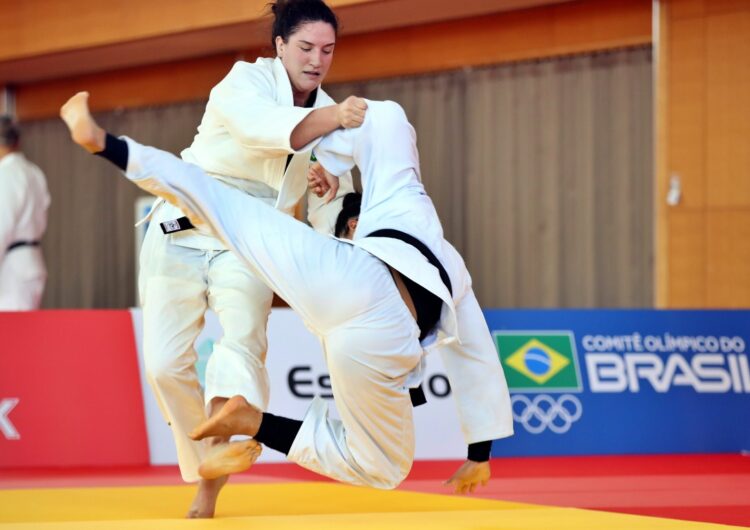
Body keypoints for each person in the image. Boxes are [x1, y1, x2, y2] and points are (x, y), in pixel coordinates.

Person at [60, 91, 513, 495]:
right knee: (384, 468)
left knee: (223, 206)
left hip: (345, 278)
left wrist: (331, 158)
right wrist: (479, 452)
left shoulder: (386, 201)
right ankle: (256, 423)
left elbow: (385, 119)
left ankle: (108, 144)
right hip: (381, 332)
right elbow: (474, 356)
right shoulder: (421, 217)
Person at [134, 0, 363, 517]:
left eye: (327, 50)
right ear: (280, 45)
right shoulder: (244, 82)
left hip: (253, 233)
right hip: (184, 222)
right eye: (305, 47)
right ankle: (208, 458)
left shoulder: (335, 125)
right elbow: (260, 128)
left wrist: (327, 194)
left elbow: (334, 205)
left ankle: (216, 473)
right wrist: (329, 117)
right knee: (165, 365)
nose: (317, 59)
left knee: (242, 340)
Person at [0, 116, 50, 311]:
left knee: (9, 335)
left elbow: (2, 225)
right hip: (30, 261)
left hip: (12, 270)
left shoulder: (6, 174)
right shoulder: (33, 172)